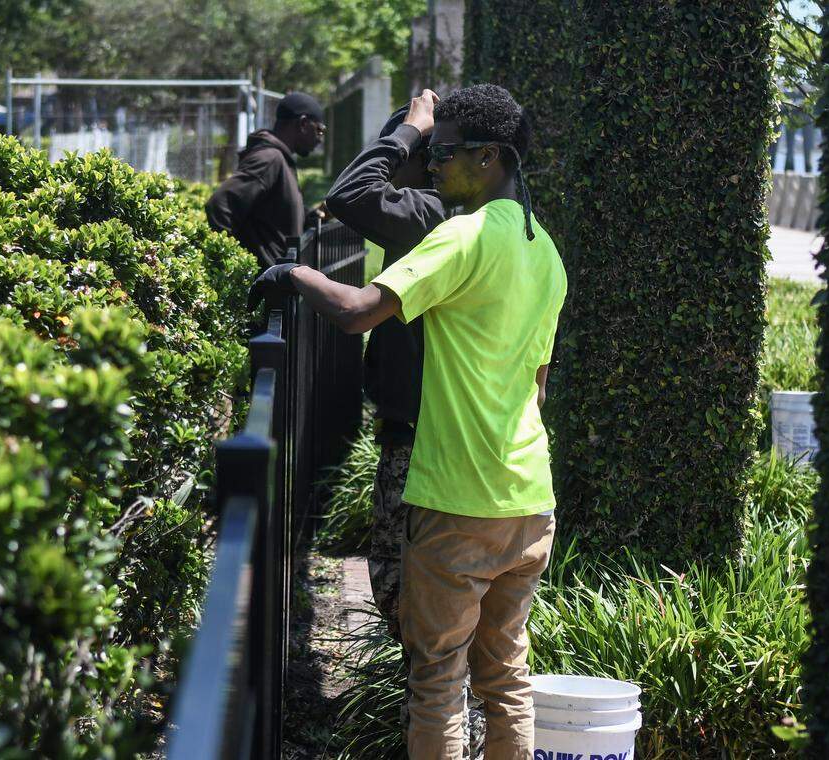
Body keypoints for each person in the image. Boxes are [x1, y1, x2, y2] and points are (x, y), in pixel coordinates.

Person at [250, 83, 566, 759]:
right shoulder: (546, 250)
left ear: (488, 159)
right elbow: (536, 388)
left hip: (458, 500)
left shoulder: (463, 236)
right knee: (506, 678)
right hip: (529, 500)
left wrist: (293, 275)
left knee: (438, 683)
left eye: (443, 150)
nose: (433, 163)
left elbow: (360, 308)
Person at [325, 92, 485, 756]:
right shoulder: (461, 220)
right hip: (435, 434)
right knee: (423, 592)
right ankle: (443, 710)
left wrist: (412, 129)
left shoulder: (427, 216)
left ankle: (445, 717)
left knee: (398, 581)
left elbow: (351, 193)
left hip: (419, 437)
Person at [205, 91, 327, 268]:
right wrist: (231, 265)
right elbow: (220, 205)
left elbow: (272, 216)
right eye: (320, 130)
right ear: (303, 123)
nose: (320, 139)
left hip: (276, 284)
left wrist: (311, 215)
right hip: (265, 287)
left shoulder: (280, 159)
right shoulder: (269, 159)